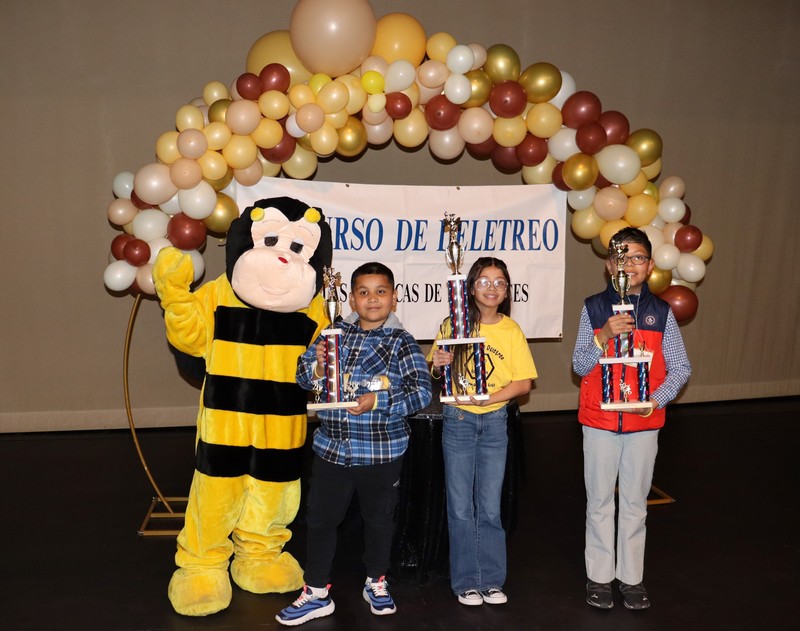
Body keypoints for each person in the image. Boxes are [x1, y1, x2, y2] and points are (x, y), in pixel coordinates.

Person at [276, 262, 432, 626]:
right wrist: (315, 366)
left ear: (394, 297)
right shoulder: (333, 332)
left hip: (381, 453)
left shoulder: (402, 342)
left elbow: (421, 392)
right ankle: (316, 591)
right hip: (331, 449)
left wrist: (378, 402)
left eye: (380, 292)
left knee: (379, 521)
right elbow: (301, 376)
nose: (372, 299)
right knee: (320, 521)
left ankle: (376, 581)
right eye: (363, 292)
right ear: (351, 298)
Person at [572, 227, 691, 611]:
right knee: (600, 501)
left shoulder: (661, 312)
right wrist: (602, 336)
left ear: (651, 265)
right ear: (609, 266)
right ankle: (600, 577)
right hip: (600, 423)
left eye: (638, 257)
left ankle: (632, 579)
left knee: (636, 503)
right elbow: (579, 365)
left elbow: (680, 368)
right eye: (622, 258)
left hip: (643, 425)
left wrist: (654, 401)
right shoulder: (592, 308)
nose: (630, 265)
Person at [429, 256, 537, 607]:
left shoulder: (511, 330)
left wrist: (488, 398)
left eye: (500, 282)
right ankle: (465, 582)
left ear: (507, 291)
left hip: (494, 423)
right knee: (460, 506)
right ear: (470, 287)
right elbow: (436, 371)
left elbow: (523, 384)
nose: (492, 288)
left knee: (489, 507)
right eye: (484, 281)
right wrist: (438, 364)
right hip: (458, 420)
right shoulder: (452, 325)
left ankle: (490, 580)